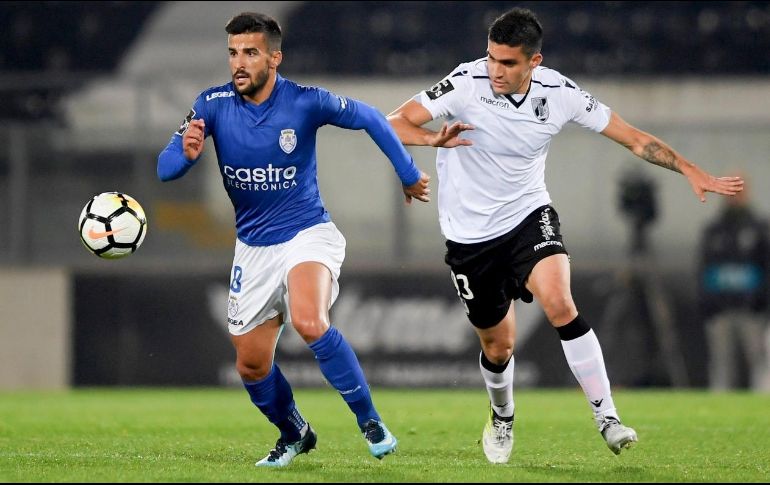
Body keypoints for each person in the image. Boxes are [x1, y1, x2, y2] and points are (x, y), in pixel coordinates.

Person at [387, 7, 744, 463]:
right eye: (491, 58)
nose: (495, 70)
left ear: (533, 62)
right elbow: (393, 122)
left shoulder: (560, 93)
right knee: (499, 346)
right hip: (469, 235)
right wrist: (432, 139)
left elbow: (633, 138)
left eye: (508, 62)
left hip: (527, 215)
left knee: (559, 302)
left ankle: (608, 417)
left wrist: (689, 168)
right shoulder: (465, 82)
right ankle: (502, 414)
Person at [157, 12, 431, 467]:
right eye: (232, 53)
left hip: (308, 233)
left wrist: (407, 172)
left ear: (274, 58)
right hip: (253, 248)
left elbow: (370, 117)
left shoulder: (305, 102)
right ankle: (295, 433)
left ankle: (370, 420)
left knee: (309, 320)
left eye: (250, 52)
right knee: (250, 365)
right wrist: (185, 155)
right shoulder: (210, 104)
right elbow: (164, 168)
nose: (238, 63)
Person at [698, 177, 770, 392]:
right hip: (721, 310)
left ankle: (762, 401)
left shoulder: (759, 229)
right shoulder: (714, 230)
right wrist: (708, 304)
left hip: (752, 310)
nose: (734, 196)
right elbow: (703, 269)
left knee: (757, 358)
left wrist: (762, 302)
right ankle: (718, 403)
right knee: (722, 361)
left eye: (738, 190)